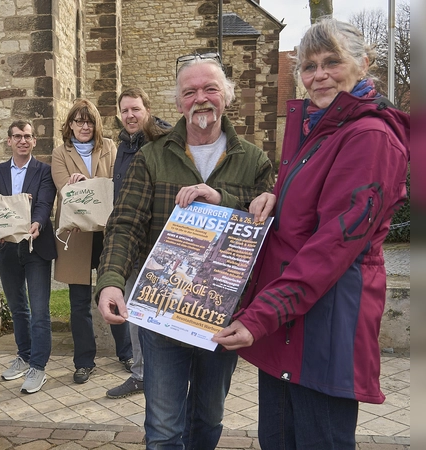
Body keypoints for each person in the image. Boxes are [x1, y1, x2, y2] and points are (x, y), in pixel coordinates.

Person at [213, 19, 410, 449]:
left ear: (363, 63)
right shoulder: (319, 127)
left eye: (331, 62)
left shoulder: (369, 137)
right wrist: (273, 198)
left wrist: (259, 315)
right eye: (308, 66)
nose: (318, 75)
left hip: (325, 331)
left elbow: (331, 248)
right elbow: (308, 211)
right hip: (288, 326)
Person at [95, 54, 275, 449]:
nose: (201, 99)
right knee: (163, 428)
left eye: (210, 88)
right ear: (178, 103)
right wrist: (110, 283)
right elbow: (125, 225)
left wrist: (223, 199)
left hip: (221, 316)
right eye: (190, 91)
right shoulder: (152, 157)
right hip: (162, 315)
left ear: (225, 96)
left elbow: (271, 223)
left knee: (208, 421)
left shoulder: (255, 161)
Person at [52, 98, 133, 384]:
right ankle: (84, 360)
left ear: (96, 124)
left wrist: (84, 184)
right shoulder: (61, 153)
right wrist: (78, 185)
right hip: (77, 236)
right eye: (78, 121)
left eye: (88, 121)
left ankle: (127, 353)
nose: (84, 126)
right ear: (70, 125)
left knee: (114, 291)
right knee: (78, 302)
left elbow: (117, 180)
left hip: (107, 231)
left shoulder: (110, 147)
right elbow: (64, 189)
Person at [104, 88, 172, 399]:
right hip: (131, 246)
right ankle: (141, 374)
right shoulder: (123, 147)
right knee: (134, 313)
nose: (130, 115)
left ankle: (168, 375)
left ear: (147, 109)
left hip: (159, 248)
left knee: (163, 316)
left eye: (135, 109)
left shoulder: (163, 142)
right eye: (125, 111)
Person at [0, 119, 57, 394]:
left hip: (36, 246)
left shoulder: (44, 171)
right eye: (17, 136)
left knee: (39, 311)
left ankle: (38, 368)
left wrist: (37, 224)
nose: (23, 141)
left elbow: (44, 203)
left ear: (34, 141)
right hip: (7, 247)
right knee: (18, 308)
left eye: (27, 136)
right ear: (9, 141)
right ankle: (24, 355)